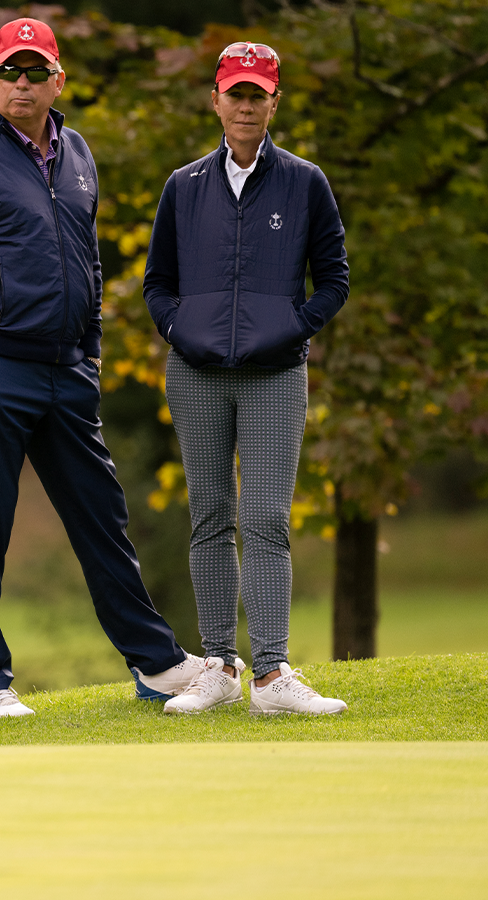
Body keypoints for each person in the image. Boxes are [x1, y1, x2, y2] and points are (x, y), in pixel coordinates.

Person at [0, 17, 206, 718]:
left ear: (57, 81)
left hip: (66, 371)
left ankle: (157, 664)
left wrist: (90, 351)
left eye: (35, 71)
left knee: (102, 519)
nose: (22, 83)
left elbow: (89, 260)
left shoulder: (76, 152)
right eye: (9, 71)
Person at [144, 42, 350, 716]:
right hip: (197, 374)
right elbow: (158, 283)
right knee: (210, 518)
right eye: (235, 92)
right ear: (216, 99)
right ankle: (218, 668)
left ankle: (270, 675)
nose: (245, 105)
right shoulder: (185, 185)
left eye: (257, 94)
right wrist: (181, 330)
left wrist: (291, 327)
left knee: (264, 517)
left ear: (274, 102)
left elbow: (334, 279)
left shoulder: (304, 181)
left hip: (274, 374)